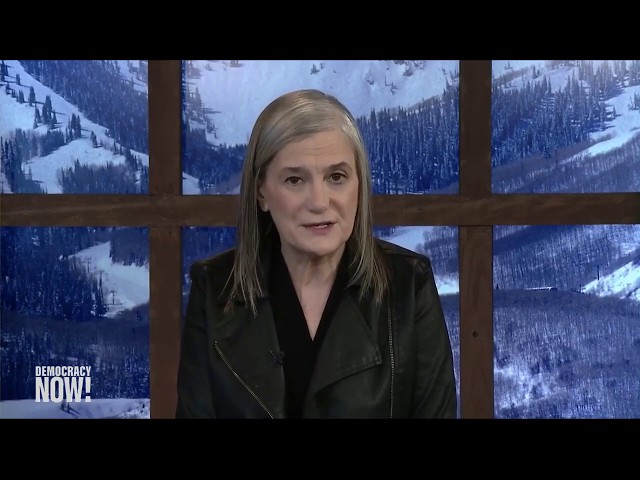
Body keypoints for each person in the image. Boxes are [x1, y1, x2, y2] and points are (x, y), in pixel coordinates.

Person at [176, 89, 457, 418]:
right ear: (261, 192)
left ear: (359, 185)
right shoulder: (214, 289)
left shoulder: (409, 285)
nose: (319, 202)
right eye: (295, 180)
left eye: (336, 177)